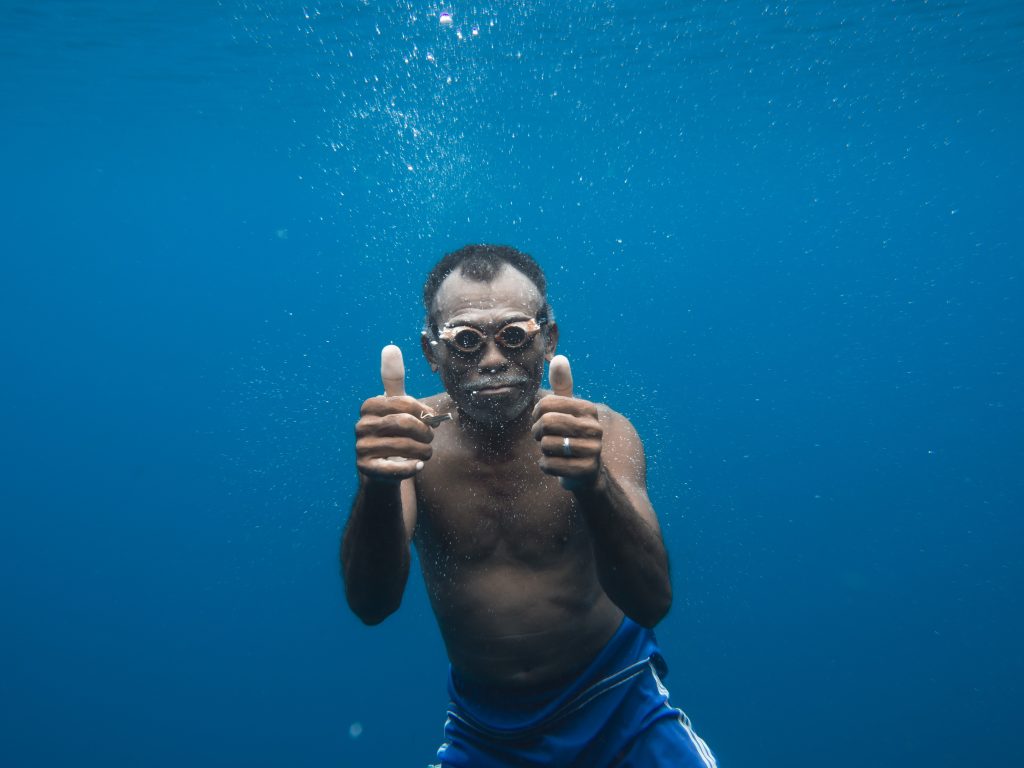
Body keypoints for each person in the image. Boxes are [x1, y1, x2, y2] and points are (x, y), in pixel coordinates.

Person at [342, 245, 717, 767]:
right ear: (432, 353)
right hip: (483, 731)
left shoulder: (603, 433)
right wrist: (377, 484)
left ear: (548, 340)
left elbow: (652, 602)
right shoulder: (410, 442)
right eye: (467, 342)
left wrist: (593, 484)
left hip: (621, 706)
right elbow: (371, 604)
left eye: (514, 336)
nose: (493, 360)